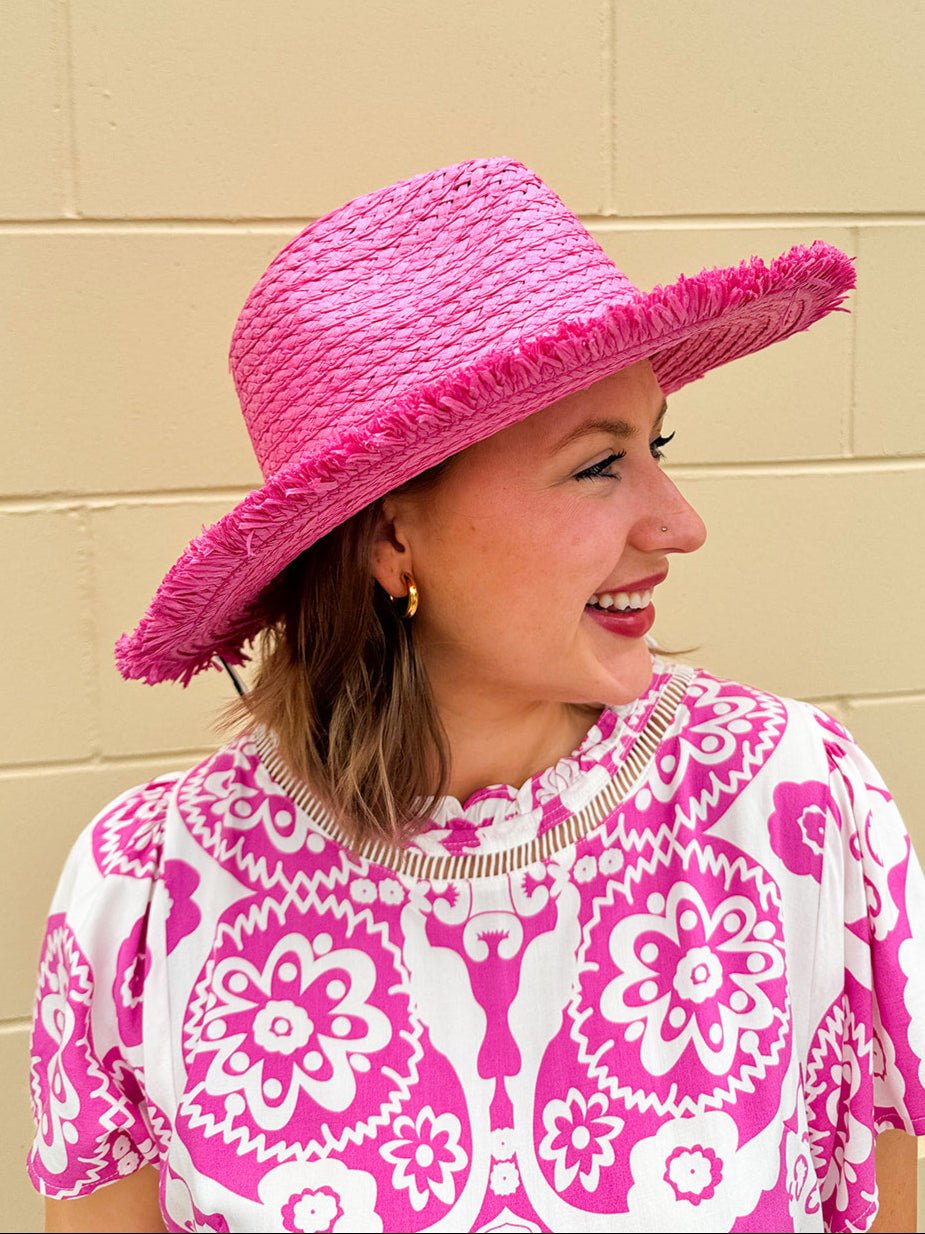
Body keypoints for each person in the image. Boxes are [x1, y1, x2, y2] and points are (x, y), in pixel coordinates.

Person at [26, 158, 923, 1234]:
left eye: (657, 444)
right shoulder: (148, 893)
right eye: (598, 466)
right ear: (395, 536)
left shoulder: (796, 809)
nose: (679, 523)